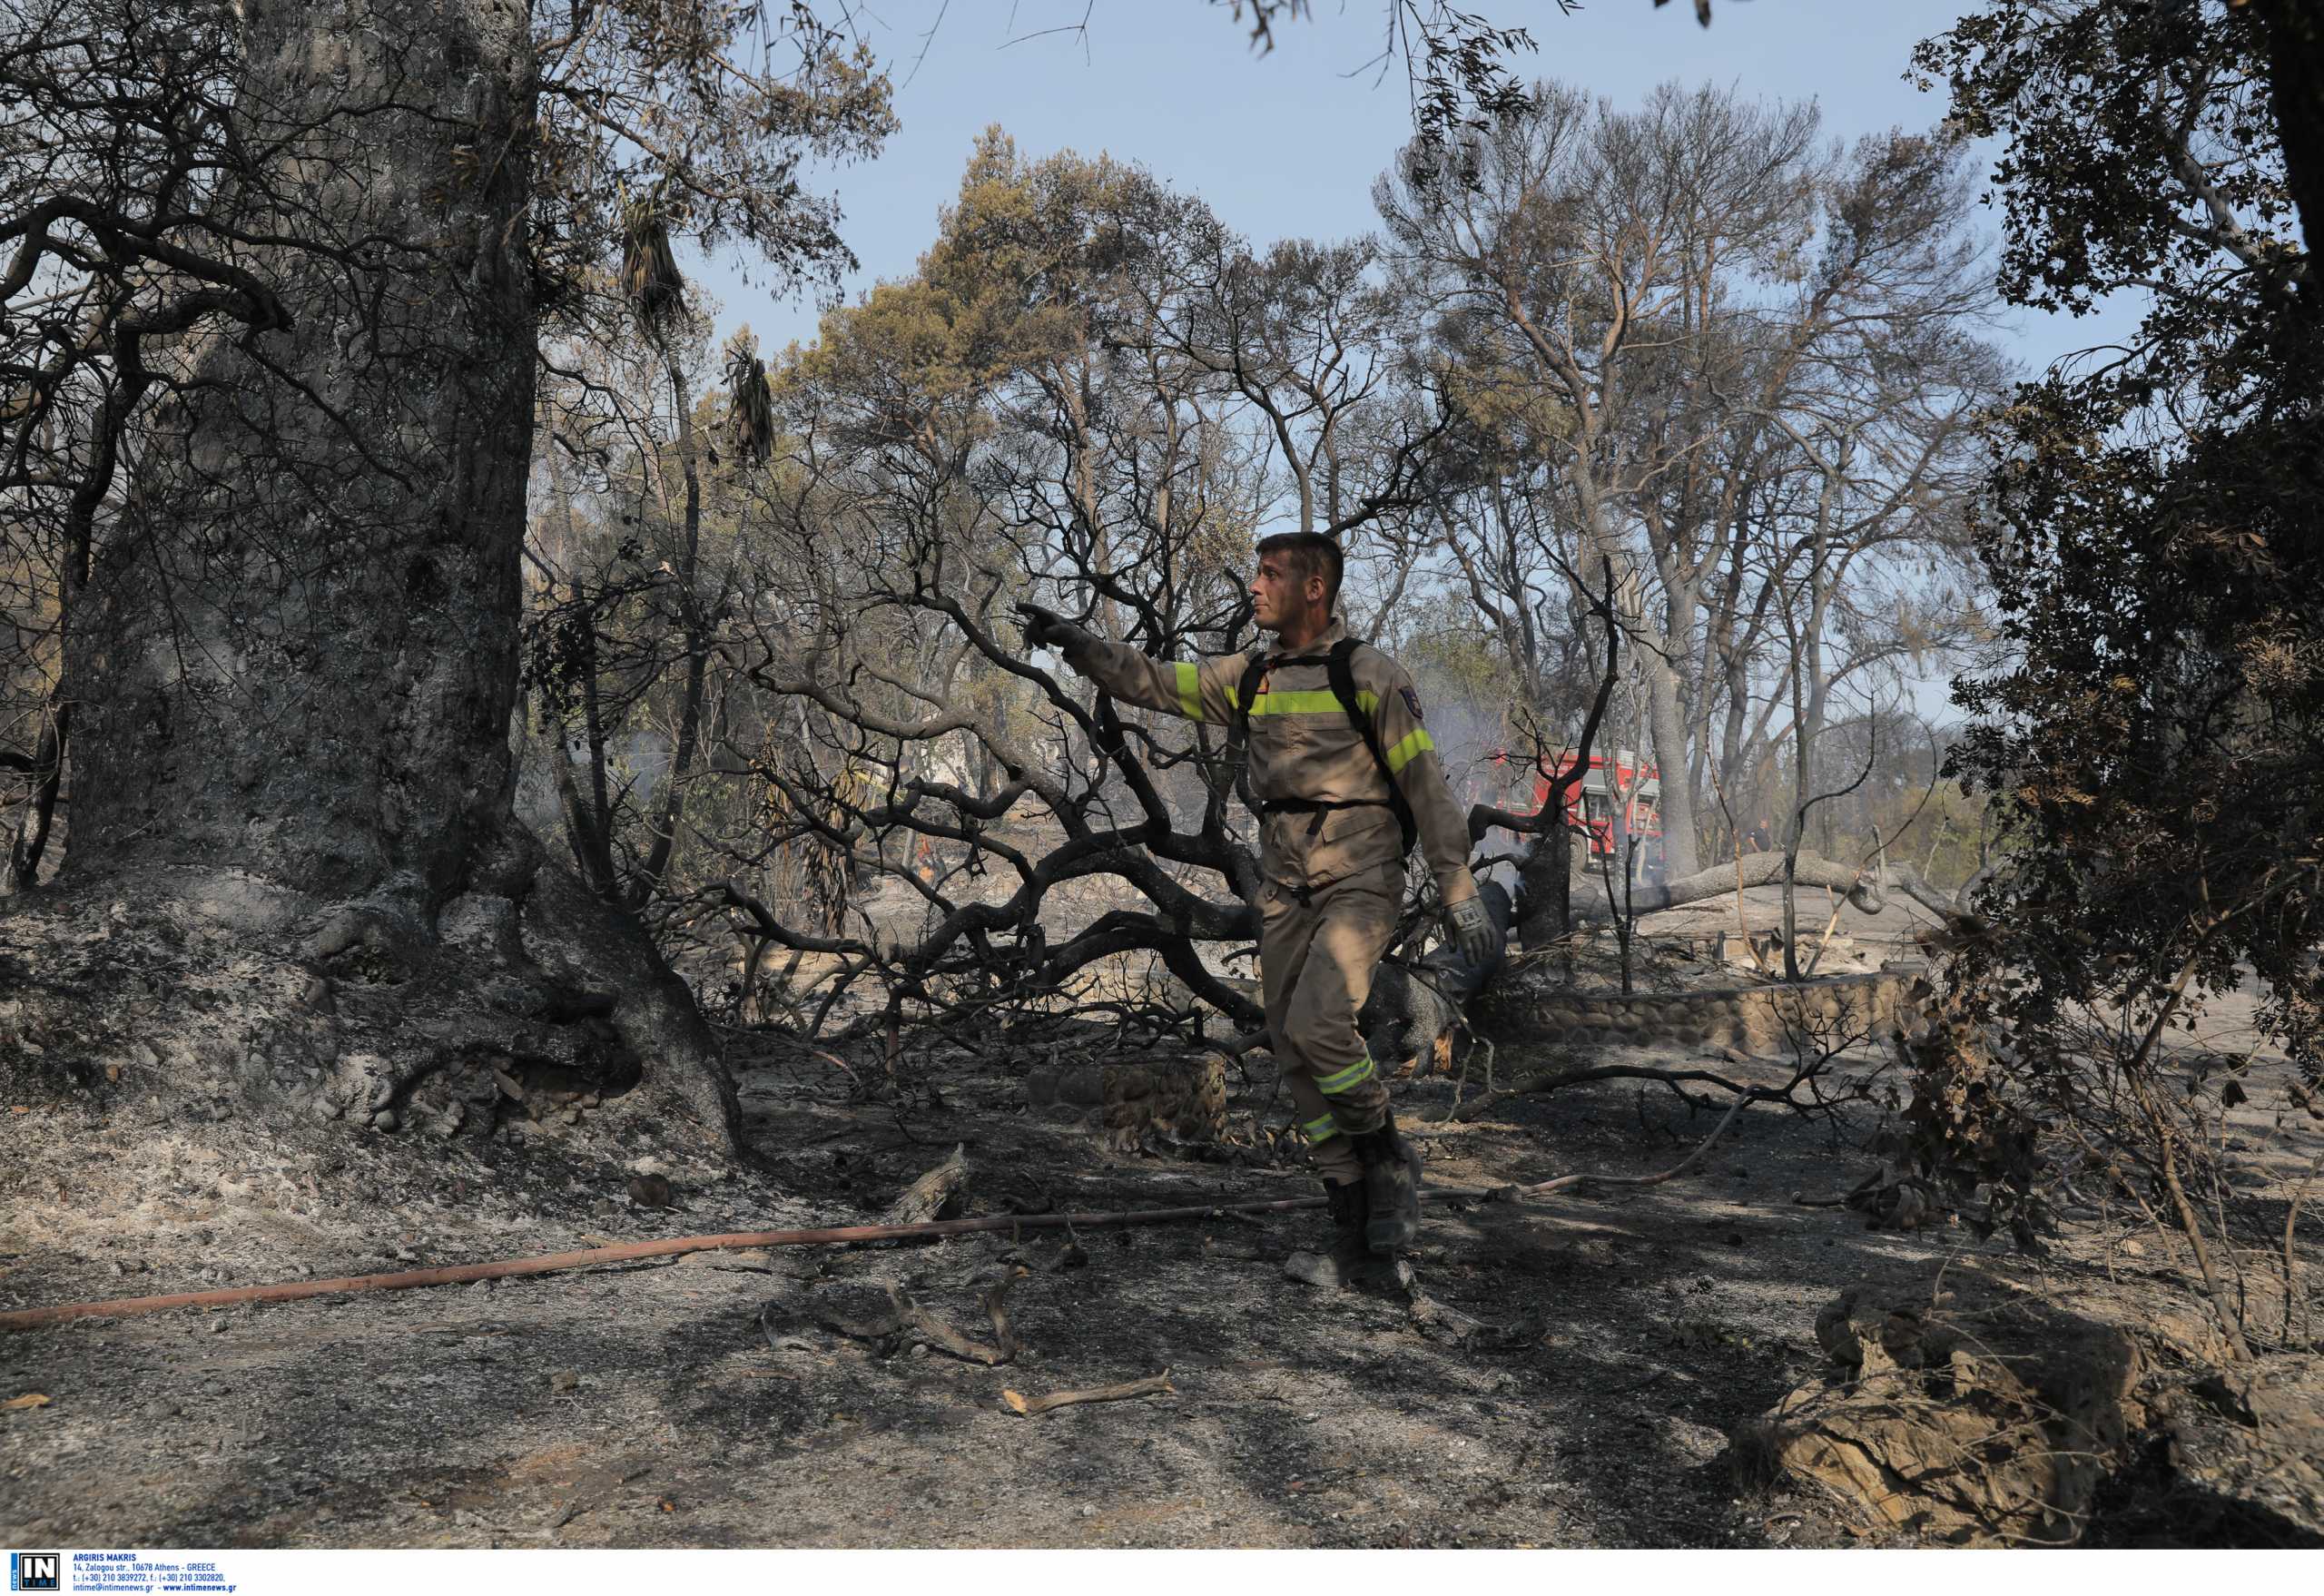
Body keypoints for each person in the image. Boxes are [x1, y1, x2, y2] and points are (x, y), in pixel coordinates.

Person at [1016, 531, 1498, 1286]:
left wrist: (1457, 886)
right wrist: (1079, 646)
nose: (1255, 586)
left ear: (1316, 588)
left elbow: (1427, 788)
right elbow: (1152, 682)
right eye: (1257, 573)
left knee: (1319, 1026)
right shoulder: (1252, 675)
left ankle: (1385, 1156)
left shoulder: (1371, 676)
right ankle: (1353, 1237)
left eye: (1271, 575)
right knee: (1290, 1045)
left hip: (1361, 880)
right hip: (1284, 888)